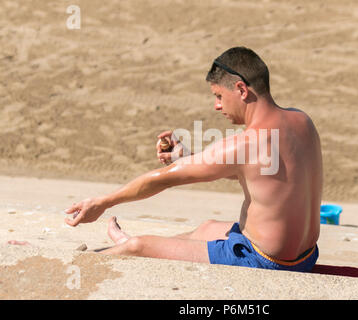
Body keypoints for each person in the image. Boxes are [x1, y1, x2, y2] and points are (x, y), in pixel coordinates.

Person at [64, 47, 323, 272]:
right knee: (206, 228)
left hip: (263, 260)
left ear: (242, 90)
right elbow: (264, 174)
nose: (217, 106)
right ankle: (158, 251)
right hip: (306, 255)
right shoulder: (303, 122)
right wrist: (188, 157)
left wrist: (103, 202)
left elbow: (164, 179)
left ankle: (105, 258)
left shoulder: (246, 144)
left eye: (219, 96)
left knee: (137, 246)